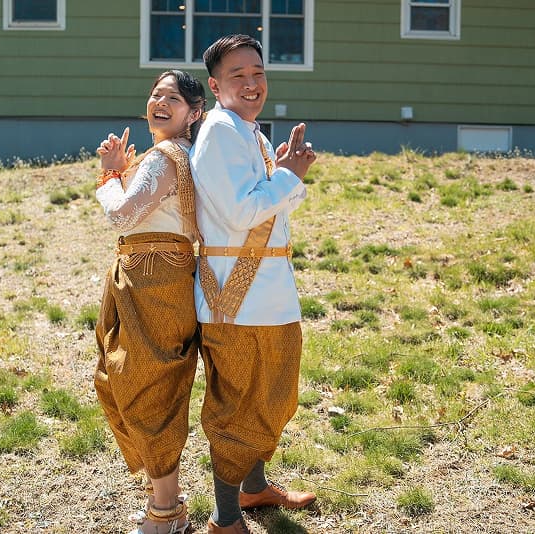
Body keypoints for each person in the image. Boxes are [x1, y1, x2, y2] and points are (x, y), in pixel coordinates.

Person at [190, 34, 317, 534]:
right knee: (238, 406)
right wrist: (287, 176)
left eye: (258, 73)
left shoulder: (253, 134)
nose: (251, 83)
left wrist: (288, 171)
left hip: (268, 294)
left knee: (271, 396)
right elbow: (242, 212)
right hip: (235, 298)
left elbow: (276, 206)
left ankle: (254, 487)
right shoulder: (221, 131)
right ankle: (225, 519)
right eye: (238, 75)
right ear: (215, 85)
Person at [93, 69, 205, 534]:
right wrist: (123, 171)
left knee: (145, 387)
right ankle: (164, 501)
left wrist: (109, 175)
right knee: (137, 382)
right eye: (155, 94)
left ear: (194, 113)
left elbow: (124, 214)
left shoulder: (165, 155)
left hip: (154, 277)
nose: (160, 102)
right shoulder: (178, 154)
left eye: (172, 98)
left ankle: (166, 512)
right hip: (151, 274)